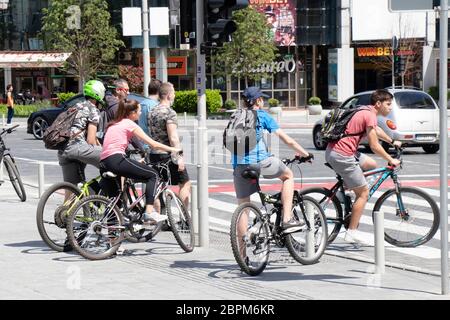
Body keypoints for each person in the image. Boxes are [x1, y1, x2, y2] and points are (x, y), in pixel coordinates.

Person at [325, 89, 402, 245]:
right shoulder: (369, 115)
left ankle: (349, 190)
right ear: (378, 104)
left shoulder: (364, 110)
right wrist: (390, 159)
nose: (390, 108)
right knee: (364, 193)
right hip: (342, 156)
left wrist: (392, 142)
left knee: (371, 164)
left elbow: (376, 130)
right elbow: (374, 146)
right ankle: (351, 232)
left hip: (336, 151)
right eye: (388, 104)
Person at [232, 86, 312, 234]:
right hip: (260, 161)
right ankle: (287, 219)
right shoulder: (262, 115)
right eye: (262, 99)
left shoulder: (236, 115)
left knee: (243, 209)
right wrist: (305, 153)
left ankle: (241, 254)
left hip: (239, 165)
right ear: (258, 100)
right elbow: (287, 140)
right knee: (288, 176)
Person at [100, 99, 181, 223]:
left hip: (104, 162)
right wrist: (173, 149)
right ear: (132, 113)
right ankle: (149, 213)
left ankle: (113, 237)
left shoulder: (113, 124)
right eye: (139, 110)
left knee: (114, 201)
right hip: (116, 160)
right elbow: (153, 144)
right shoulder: (129, 124)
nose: (141, 112)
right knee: (153, 175)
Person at [148, 82, 191, 209]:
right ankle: (185, 218)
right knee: (185, 183)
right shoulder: (169, 112)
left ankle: (161, 218)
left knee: (159, 187)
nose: (175, 94)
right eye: (173, 92)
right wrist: (179, 156)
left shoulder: (152, 111)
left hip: (154, 154)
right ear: (168, 95)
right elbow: (173, 137)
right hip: (167, 155)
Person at [57, 80, 105, 185]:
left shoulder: (76, 106)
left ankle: (78, 200)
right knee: (111, 159)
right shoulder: (93, 110)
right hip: (77, 147)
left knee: (71, 189)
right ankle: (101, 196)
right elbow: (91, 140)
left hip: (63, 150)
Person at [139, 78, 161, 144]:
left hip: (142, 143)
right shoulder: (156, 106)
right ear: (159, 91)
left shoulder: (141, 104)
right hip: (153, 145)